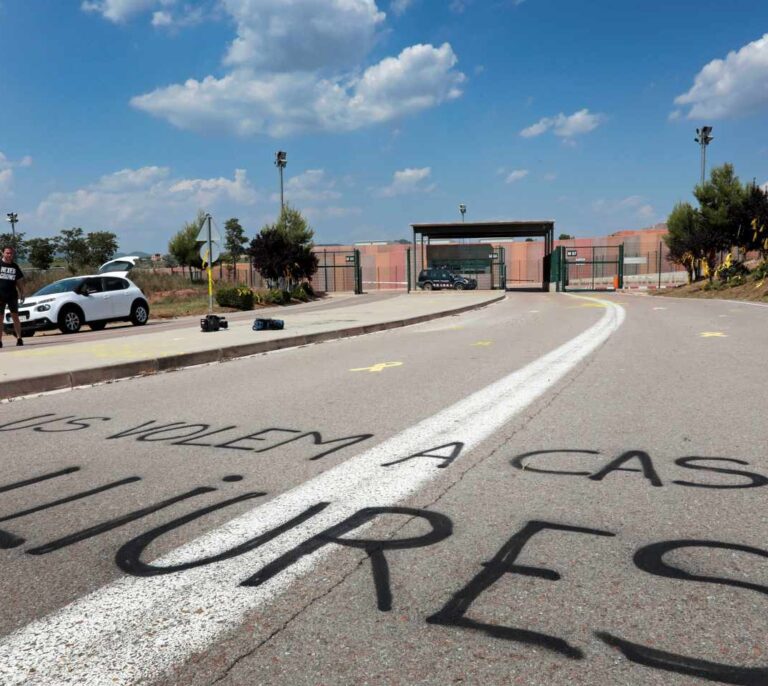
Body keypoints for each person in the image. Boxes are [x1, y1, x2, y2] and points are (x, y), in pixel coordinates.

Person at [0, 245, 25, 347]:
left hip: (12, 295)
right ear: (2, 253)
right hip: (0, 295)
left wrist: (22, 293)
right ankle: (0, 340)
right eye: (7, 253)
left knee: (15, 316)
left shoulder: (15, 266)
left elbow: (19, 281)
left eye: (11, 253)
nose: (9, 255)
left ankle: (19, 338)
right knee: (0, 318)